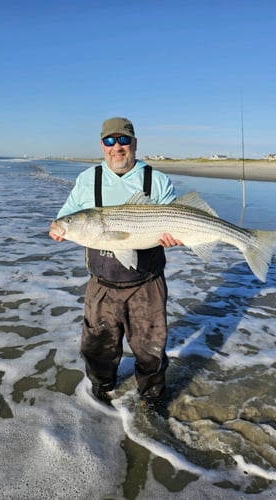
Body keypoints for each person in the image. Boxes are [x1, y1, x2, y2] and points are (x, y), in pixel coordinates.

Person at [49, 117, 182, 411]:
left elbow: (177, 219)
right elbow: (65, 216)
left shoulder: (156, 179)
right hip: (102, 282)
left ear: (134, 143)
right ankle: (101, 392)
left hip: (147, 283)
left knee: (151, 350)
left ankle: (152, 400)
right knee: (97, 347)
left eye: (123, 140)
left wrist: (178, 236)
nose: (117, 147)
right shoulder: (88, 178)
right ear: (102, 145)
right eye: (110, 141)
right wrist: (61, 227)